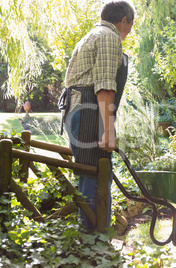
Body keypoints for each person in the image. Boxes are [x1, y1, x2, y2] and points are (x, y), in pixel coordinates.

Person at [59, 1, 135, 231]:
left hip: (78, 112)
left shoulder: (92, 35)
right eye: (131, 24)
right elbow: (104, 87)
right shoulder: (108, 37)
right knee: (95, 174)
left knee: (90, 174)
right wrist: (108, 131)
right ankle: (95, 242)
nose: (130, 30)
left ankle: (91, 241)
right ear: (123, 21)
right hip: (87, 114)